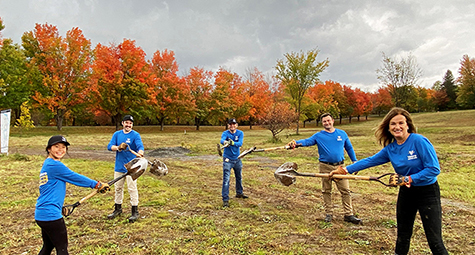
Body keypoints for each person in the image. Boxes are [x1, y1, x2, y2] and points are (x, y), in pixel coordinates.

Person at [330, 107, 448, 255]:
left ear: (407, 125)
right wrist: (345, 170)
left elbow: (433, 169)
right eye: (393, 124)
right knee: (402, 236)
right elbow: (370, 160)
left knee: (435, 241)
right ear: (388, 127)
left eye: (400, 123)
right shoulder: (391, 149)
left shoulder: (419, 141)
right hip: (406, 193)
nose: (397, 127)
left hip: (427, 192)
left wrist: (409, 178)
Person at [35, 135, 110, 255]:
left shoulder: (48, 163)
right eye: (56, 146)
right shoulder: (54, 165)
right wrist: (97, 184)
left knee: (48, 246)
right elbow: (74, 177)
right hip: (50, 215)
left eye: (63, 147)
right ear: (49, 149)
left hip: (42, 213)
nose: (60, 150)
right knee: (62, 249)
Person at [287, 113, 361, 224]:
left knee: (345, 190)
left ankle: (348, 214)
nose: (327, 123)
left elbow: (349, 147)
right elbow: (307, 141)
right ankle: (329, 214)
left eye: (328, 120)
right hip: (325, 166)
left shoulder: (342, 134)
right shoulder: (319, 135)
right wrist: (296, 143)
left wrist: (355, 162)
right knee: (326, 190)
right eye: (324, 121)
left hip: (340, 167)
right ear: (322, 123)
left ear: (332, 121)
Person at [107, 114, 144, 222]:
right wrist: (118, 147)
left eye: (130, 123)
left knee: (132, 188)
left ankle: (134, 211)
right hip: (119, 167)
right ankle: (117, 209)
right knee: (118, 188)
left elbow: (140, 146)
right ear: (123, 123)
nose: (128, 125)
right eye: (126, 123)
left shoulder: (135, 135)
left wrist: (140, 153)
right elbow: (110, 146)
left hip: (132, 167)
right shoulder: (117, 134)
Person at [220, 118, 247, 207]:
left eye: (234, 124)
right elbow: (221, 140)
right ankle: (225, 199)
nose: (232, 126)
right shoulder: (225, 133)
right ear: (228, 125)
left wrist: (232, 143)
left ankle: (239, 193)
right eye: (230, 124)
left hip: (237, 159)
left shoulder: (240, 133)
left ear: (236, 125)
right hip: (227, 159)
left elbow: (240, 143)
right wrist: (225, 142)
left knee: (239, 177)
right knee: (226, 179)